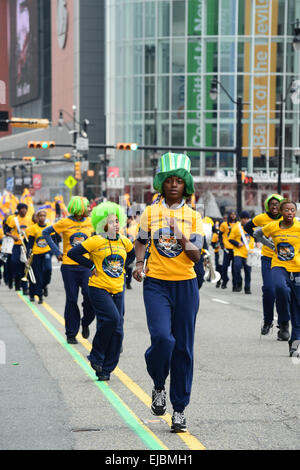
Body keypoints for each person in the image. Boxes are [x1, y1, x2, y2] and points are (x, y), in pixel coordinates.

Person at [133, 152, 204, 433]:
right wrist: (139, 264)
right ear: (161, 184)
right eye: (169, 180)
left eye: (179, 181)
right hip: (157, 284)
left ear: (185, 185)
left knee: (183, 348)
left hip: (186, 285)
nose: (173, 185)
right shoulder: (149, 213)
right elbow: (140, 242)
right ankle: (159, 384)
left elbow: (196, 256)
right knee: (163, 339)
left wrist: (180, 234)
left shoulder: (194, 217)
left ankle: (179, 410)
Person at [67, 202, 135, 380]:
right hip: (99, 288)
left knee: (118, 330)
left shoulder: (124, 241)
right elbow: (73, 254)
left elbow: (133, 254)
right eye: (111, 222)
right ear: (102, 224)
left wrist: (124, 267)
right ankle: (96, 355)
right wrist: (90, 265)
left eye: (117, 221)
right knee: (112, 319)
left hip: (118, 289)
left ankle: (106, 369)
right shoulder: (96, 240)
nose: (116, 225)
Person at [43, 196, 95, 344]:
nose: (89, 209)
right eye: (86, 207)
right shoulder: (65, 222)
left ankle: (85, 322)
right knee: (72, 299)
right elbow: (46, 233)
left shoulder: (91, 222)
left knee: (90, 297)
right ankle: (71, 333)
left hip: (86, 266)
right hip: (69, 267)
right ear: (80, 209)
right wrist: (56, 252)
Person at [254, 199, 300, 357]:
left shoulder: (299, 227)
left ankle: (294, 344)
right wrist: (270, 245)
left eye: (293, 210)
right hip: (279, 265)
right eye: (287, 210)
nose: (290, 213)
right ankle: (284, 321)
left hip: (297, 269)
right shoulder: (273, 226)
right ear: (281, 212)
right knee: (280, 288)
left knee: (298, 307)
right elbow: (257, 234)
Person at [244, 194, 289, 339]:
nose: (275, 207)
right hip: (268, 258)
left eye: (277, 204)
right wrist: (258, 239)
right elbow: (247, 226)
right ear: (267, 206)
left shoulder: (286, 218)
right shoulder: (261, 218)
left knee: (283, 291)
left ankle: (283, 325)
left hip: (285, 260)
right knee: (269, 289)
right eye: (272, 204)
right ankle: (268, 321)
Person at [25, 209, 54, 304]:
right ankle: (39, 295)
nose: (42, 217)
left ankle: (44, 285)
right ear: (37, 217)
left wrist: (55, 252)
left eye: (44, 215)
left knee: (48, 270)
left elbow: (54, 241)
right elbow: (30, 243)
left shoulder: (49, 228)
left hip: (46, 252)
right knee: (37, 274)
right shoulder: (33, 228)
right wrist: (28, 255)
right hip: (36, 254)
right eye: (40, 215)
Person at [4, 203, 33, 294]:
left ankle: (25, 288)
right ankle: (16, 280)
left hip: (26, 245)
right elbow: (6, 231)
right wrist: (13, 236)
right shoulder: (14, 220)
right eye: (22, 209)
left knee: (25, 265)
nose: (24, 210)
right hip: (16, 245)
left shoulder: (29, 219)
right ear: (19, 210)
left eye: (25, 208)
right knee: (14, 262)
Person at [228, 211, 255, 294]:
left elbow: (256, 236)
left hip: (249, 253)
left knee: (248, 271)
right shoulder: (236, 227)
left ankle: (247, 288)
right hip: (238, 252)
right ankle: (238, 283)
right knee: (236, 267)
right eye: (244, 218)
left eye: (247, 219)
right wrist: (237, 243)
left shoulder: (251, 227)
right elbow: (230, 238)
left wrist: (257, 242)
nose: (245, 220)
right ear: (240, 219)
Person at [219, 211, 237, 289]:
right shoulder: (224, 224)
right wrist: (222, 244)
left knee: (235, 268)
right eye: (231, 214)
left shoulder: (238, 225)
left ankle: (234, 284)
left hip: (236, 249)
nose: (233, 216)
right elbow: (220, 235)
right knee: (224, 267)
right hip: (227, 248)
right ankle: (225, 281)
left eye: (234, 214)